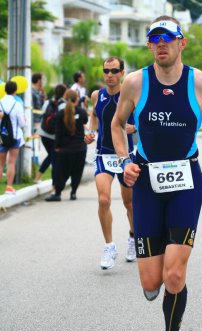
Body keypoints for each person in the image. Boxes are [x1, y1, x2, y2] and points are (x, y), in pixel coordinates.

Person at [111, 16, 202, 331]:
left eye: (167, 38)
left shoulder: (201, 82)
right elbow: (117, 124)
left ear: (182, 42)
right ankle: (158, 286)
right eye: (154, 39)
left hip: (186, 181)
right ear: (150, 45)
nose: (160, 44)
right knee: (151, 284)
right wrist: (125, 162)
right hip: (147, 184)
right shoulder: (136, 82)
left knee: (174, 277)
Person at [86, 56, 136, 269]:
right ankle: (109, 247)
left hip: (125, 157)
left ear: (122, 73)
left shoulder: (132, 94)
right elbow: (94, 118)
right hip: (103, 156)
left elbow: (145, 118)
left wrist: (136, 128)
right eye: (106, 71)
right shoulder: (97, 95)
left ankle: (133, 238)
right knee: (104, 200)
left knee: (129, 203)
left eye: (114, 71)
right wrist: (90, 133)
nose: (109, 75)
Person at [45, 89, 88, 202]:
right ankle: (73, 193)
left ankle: (58, 193)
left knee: (61, 172)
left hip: (65, 149)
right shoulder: (82, 112)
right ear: (77, 99)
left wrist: (57, 146)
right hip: (80, 148)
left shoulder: (60, 114)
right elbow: (85, 121)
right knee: (77, 172)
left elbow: (57, 132)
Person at [34, 83, 67, 192]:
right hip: (54, 136)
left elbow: (42, 114)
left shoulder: (48, 102)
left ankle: (38, 177)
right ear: (64, 93)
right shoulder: (64, 105)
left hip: (43, 134)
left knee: (51, 156)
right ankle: (54, 186)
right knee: (54, 159)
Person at [0, 81, 26, 194]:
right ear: (15, 90)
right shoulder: (17, 104)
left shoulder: (0, 102)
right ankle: (9, 187)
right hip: (15, 137)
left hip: (1, 137)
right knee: (11, 162)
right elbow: (22, 124)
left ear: (5, 89)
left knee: (0, 163)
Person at [32, 73, 45, 165]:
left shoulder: (38, 92)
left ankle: (35, 158)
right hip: (35, 120)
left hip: (38, 119)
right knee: (35, 139)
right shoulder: (32, 92)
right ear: (39, 80)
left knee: (37, 139)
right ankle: (34, 159)